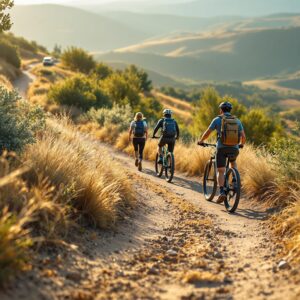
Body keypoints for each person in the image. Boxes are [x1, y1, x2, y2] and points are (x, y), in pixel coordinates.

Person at [198, 101, 246, 203]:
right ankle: (234, 180)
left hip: (222, 148)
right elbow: (243, 136)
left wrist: (201, 141)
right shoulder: (237, 121)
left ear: (221, 110)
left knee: (221, 171)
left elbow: (208, 132)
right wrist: (241, 144)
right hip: (234, 148)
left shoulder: (217, 119)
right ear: (230, 110)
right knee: (233, 162)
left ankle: (221, 192)